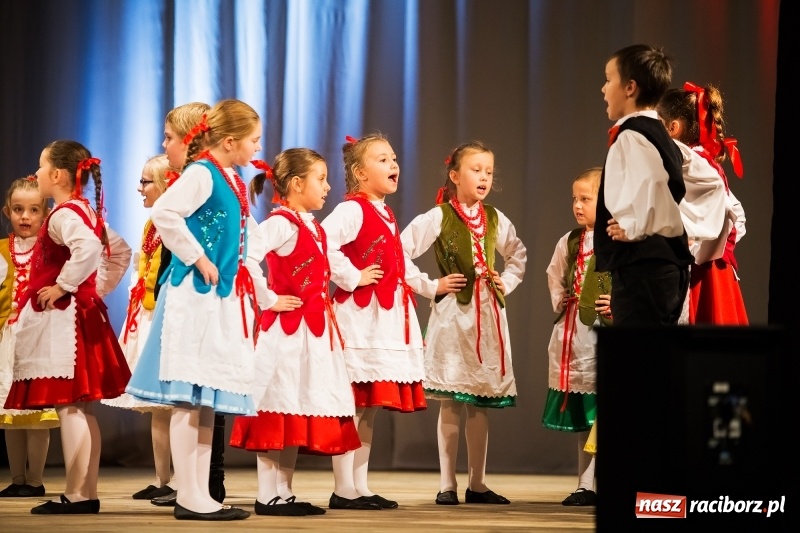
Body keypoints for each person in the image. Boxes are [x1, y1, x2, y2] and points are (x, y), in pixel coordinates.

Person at [124, 99, 269, 521]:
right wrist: (197, 257)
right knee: (189, 399)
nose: (257, 147)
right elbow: (167, 213)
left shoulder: (230, 178)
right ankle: (188, 495)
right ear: (229, 141)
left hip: (218, 300)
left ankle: (200, 493)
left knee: (206, 401)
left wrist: (254, 277)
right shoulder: (201, 173)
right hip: (193, 296)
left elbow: (247, 233)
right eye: (253, 140)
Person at [229, 149, 361, 516]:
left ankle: (283, 491)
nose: (328, 186)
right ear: (297, 183)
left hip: (312, 335)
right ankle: (267, 493)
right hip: (285, 335)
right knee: (277, 404)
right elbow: (246, 258)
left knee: (295, 409)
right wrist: (268, 299)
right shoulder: (280, 224)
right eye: (321, 178)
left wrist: (351, 279)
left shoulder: (312, 226)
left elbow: (328, 267)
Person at [3, 140, 132, 514]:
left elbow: (90, 248)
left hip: (66, 326)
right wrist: (92, 289)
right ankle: (84, 491)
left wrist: (67, 286)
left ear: (57, 175)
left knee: (71, 409)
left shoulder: (62, 215)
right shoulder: (84, 210)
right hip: (81, 317)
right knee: (81, 410)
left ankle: (78, 494)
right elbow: (118, 251)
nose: (36, 174)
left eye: (41, 168)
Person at [400, 140, 527, 506]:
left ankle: (477, 483)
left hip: (487, 317)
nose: (484, 177)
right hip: (454, 319)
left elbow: (517, 254)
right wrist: (431, 285)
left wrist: (509, 279)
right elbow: (400, 250)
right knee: (452, 402)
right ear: (455, 176)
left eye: (488, 171)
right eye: (476, 170)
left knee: (480, 403)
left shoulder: (495, 218)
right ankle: (446, 484)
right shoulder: (439, 216)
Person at [320, 133, 429, 510]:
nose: (393, 165)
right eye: (382, 159)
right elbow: (323, 243)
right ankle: (342, 487)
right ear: (359, 173)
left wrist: (430, 287)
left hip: (385, 318)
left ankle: (359, 485)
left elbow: (399, 264)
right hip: (360, 318)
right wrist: (353, 276)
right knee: (350, 403)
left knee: (369, 405)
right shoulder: (353, 209)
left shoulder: (384, 211)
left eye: (394, 158)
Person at [595, 44, 693, 326]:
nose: (603, 89)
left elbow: (654, 183)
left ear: (630, 87)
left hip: (644, 269)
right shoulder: (655, 132)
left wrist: (636, 227)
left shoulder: (633, 135)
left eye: (608, 79)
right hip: (657, 267)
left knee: (640, 360)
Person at [100, 154, 176, 501]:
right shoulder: (152, 225)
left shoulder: (176, 224)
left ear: (166, 185)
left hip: (169, 320)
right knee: (160, 408)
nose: (139, 187)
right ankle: (164, 480)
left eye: (147, 181)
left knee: (174, 405)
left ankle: (183, 481)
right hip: (147, 317)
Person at [541, 167, 612, 507]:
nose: (577, 205)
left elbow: (632, 279)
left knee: (604, 411)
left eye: (586, 198)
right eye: (575, 199)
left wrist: (618, 302)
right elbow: (554, 274)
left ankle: (590, 481)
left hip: (604, 334)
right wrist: (562, 299)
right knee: (587, 414)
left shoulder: (618, 241)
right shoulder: (570, 241)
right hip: (575, 336)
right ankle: (585, 483)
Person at [657, 82, 748, 325]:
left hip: (701, 273)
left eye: (657, 125)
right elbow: (737, 216)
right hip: (713, 270)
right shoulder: (702, 161)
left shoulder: (689, 161)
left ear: (673, 128)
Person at [0, 177, 59, 498]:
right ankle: (18, 478)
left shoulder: (50, 250)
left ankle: (36, 480)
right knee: (11, 416)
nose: (25, 217)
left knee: (36, 417)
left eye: (33, 210)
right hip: (8, 343)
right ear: (7, 211)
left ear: (45, 213)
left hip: (39, 341)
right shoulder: (0, 251)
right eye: (18, 210)